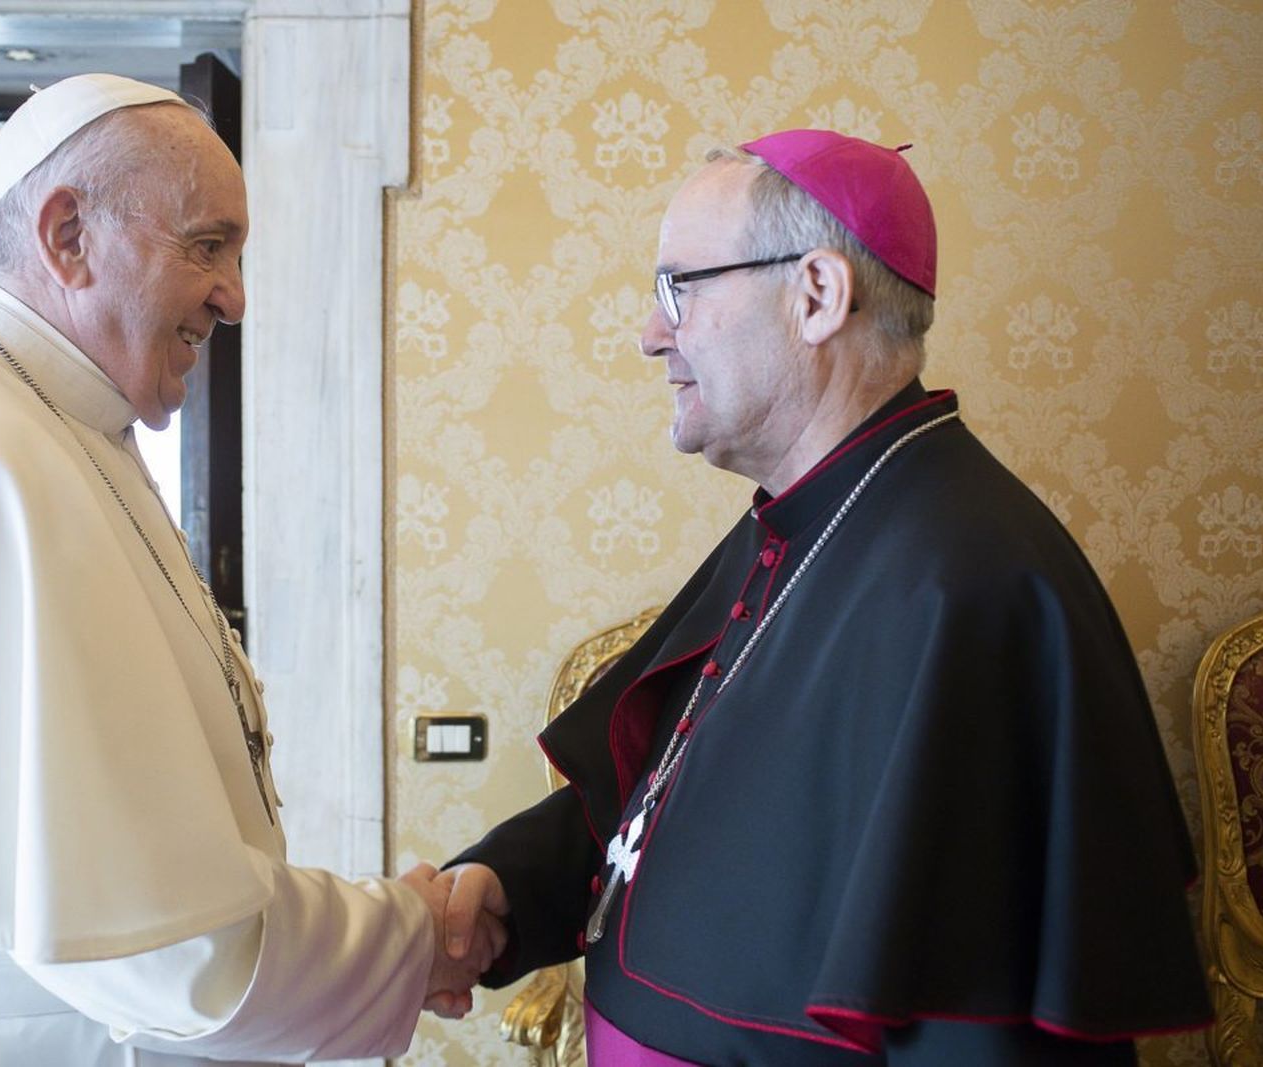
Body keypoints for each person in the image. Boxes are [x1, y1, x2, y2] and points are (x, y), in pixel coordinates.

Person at [0, 73, 496, 1065]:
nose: (234, 294)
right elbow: (159, 941)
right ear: (66, 236)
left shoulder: (42, 420)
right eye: (207, 245)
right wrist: (409, 933)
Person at [430, 130, 1213, 1064]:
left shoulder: (971, 585)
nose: (650, 332)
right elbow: (673, 788)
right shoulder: (803, 522)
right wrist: (506, 884)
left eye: (681, 287)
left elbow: (973, 1018)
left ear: (817, 295)